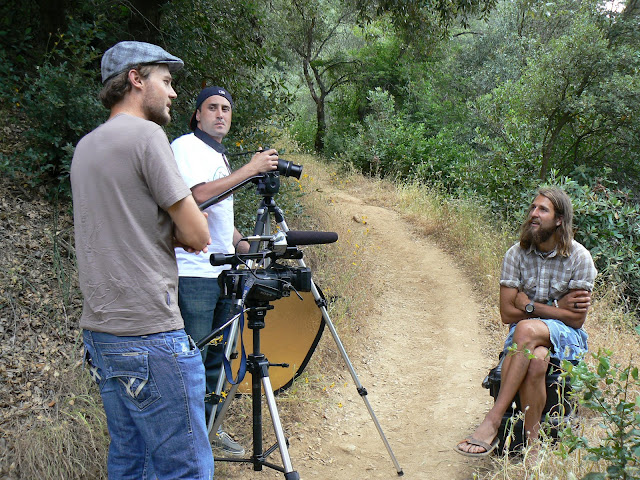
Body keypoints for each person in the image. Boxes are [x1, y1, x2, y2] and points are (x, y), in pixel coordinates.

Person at [71, 41, 215, 479]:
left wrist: (162, 229)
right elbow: (198, 234)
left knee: (131, 461)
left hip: (101, 334)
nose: (173, 93)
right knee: (184, 469)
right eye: (166, 81)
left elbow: (122, 229)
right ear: (136, 79)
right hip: (150, 333)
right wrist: (177, 231)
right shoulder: (148, 136)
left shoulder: (85, 148)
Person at [171, 86, 279, 456]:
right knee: (193, 359)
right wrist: (251, 169)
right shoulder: (186, 147)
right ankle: (186, 442)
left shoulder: (217, 154)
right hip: (194, 272)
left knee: (218, 358)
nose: (220, 114)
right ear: (197, 115)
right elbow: (196, 197)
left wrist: (244, 246)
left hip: (223, 272)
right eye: (212, 107)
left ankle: (208, 429)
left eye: (226, 109)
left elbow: (218, 213)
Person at [455, 187, 597, 457]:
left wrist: (530, 306)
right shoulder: (516, 254)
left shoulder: (579, 258)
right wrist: (557, 307)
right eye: (533, 207)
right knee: (537, 360)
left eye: (543, 209)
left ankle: (493, 420)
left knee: (525, 327)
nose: (534, 213)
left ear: (559, 219)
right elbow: (507, 314)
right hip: (526, 338)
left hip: (566, 337)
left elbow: (576, 319)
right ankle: (533, 447)